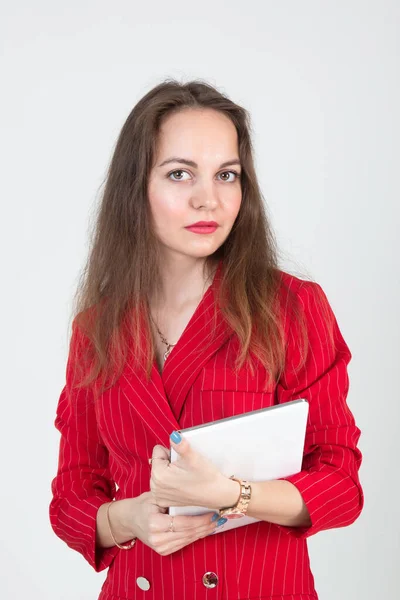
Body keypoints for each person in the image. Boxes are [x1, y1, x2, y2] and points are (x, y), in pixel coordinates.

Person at [49, 79, 364, 600]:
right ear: (136, 187)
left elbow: (341, 486)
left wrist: (231, 496)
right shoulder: (97, 329)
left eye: (226, 175)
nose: (208, 199)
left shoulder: (291, 307)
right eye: (179, 174)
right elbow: (71, 501)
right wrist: (130, 516)